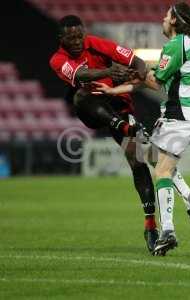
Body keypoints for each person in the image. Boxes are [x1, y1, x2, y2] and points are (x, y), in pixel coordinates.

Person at [95, 2, 190, 256]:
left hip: (184, 113)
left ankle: (168, 232)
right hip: (186, 113)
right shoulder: (181, 45)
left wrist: (132, 71)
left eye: (167, 15)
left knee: (162, 171)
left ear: (175, 21)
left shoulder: (177, 44)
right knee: (149, 155)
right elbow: (150, 82)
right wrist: (115, 89)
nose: (163, 18)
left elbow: (153, 80)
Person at [49, 15, 160, 253]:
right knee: (80, 94)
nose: (78, 41)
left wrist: (137, 74)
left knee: (137, 159)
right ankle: (121, 125)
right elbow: (80, 76)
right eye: (71, 38)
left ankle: (150, 225)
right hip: (91, 108)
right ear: (62, 39)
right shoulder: (58, 59)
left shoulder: (97, 43)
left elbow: (136, 60)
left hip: (119, 103)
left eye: (80, 35)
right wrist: (109, 71)